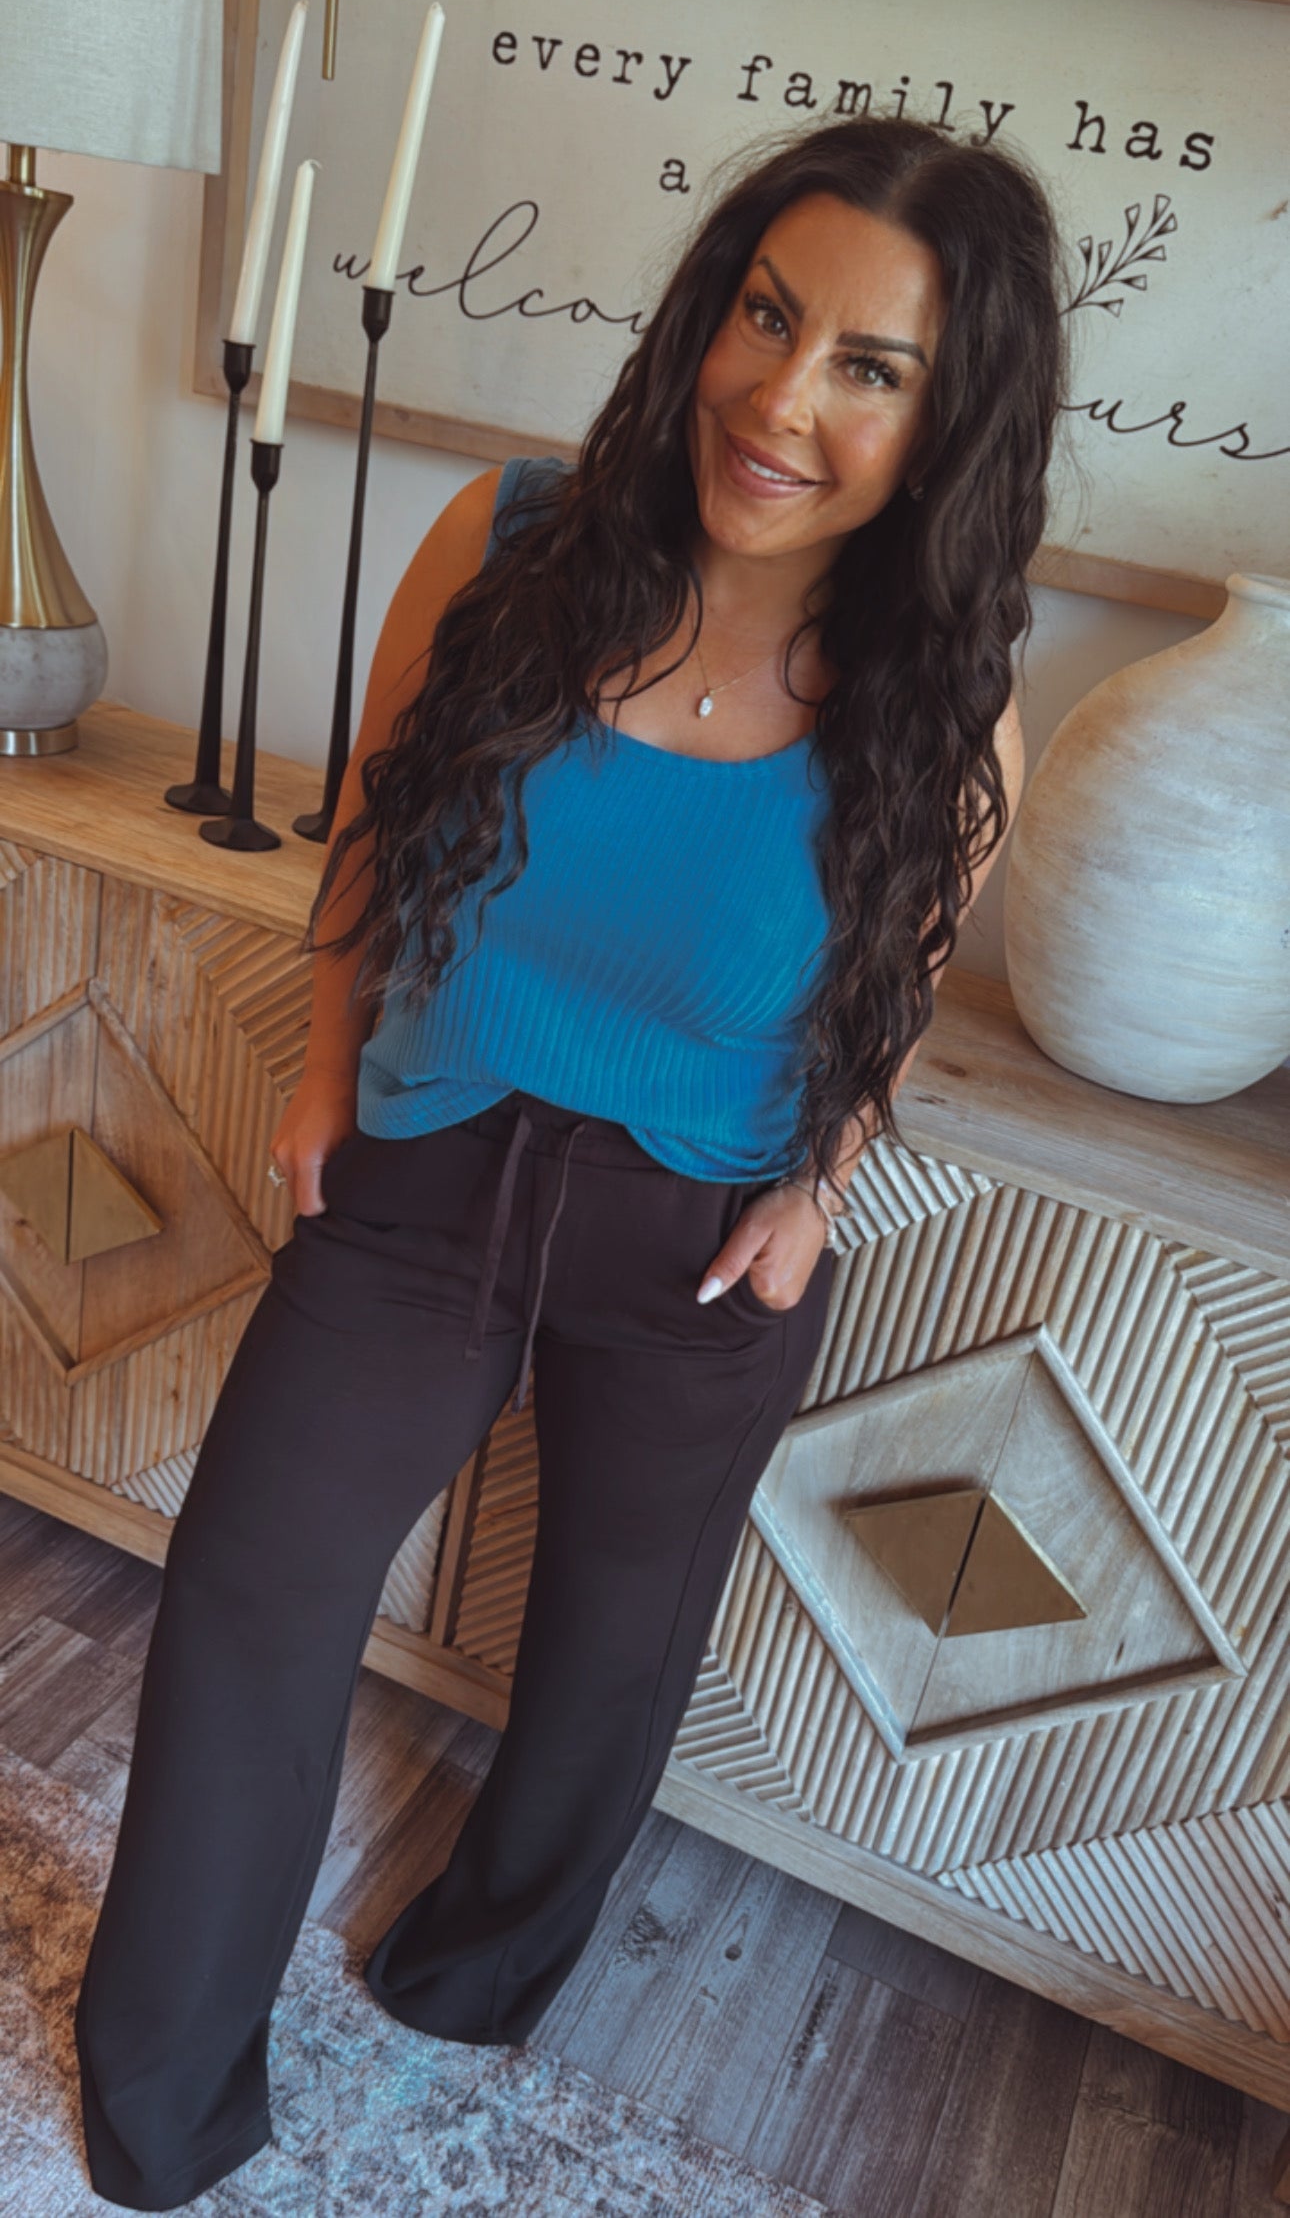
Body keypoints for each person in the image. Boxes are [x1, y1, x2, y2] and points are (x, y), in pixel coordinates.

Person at [73, 111, 1060, 2209]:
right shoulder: (509, 540)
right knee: (248, 1598)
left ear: (944, 420)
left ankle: (475, 1974)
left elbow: (893, 988)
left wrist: (811, 1197)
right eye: (766, 317)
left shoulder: (944, 704)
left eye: (868, 366)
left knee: (613, 1657)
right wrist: (324, 1072)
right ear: (707, 312)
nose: (780, 400)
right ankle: (160, 2114)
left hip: (696, 1234)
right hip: (423, 1170)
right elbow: (371, 816)